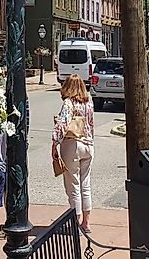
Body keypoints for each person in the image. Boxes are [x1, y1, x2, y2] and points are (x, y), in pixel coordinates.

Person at [51, 74, 95, 232]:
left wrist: (54, 143)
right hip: (88, 145)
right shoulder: (89, 102)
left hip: (72, 145)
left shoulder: (68, 103)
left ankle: (76, 221)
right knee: (86, 184)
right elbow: (91, 124)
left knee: (73, 186)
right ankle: (87, 222)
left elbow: (62, 124)